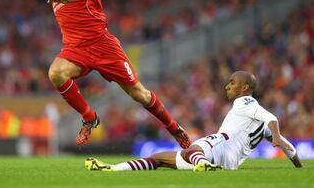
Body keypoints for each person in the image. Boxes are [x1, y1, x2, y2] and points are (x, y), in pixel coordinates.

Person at [43, 0, 191, 148]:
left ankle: (174, 128)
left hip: (103, 45)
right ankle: (89, 117)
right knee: (56, 73)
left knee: (140, 94)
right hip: (75, 49)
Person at [85, 71, 303, 171]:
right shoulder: (258, 123)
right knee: (160, 158)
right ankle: (112, 169)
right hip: (229, 162)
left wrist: (275, 135)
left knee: (192, 148)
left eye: (233, 83)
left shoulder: (246, 102)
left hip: (219, 147)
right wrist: (299, 166)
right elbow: (289, 148)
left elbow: (271, 117)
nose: (228, 86)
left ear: (245, 88)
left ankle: (203, 164)